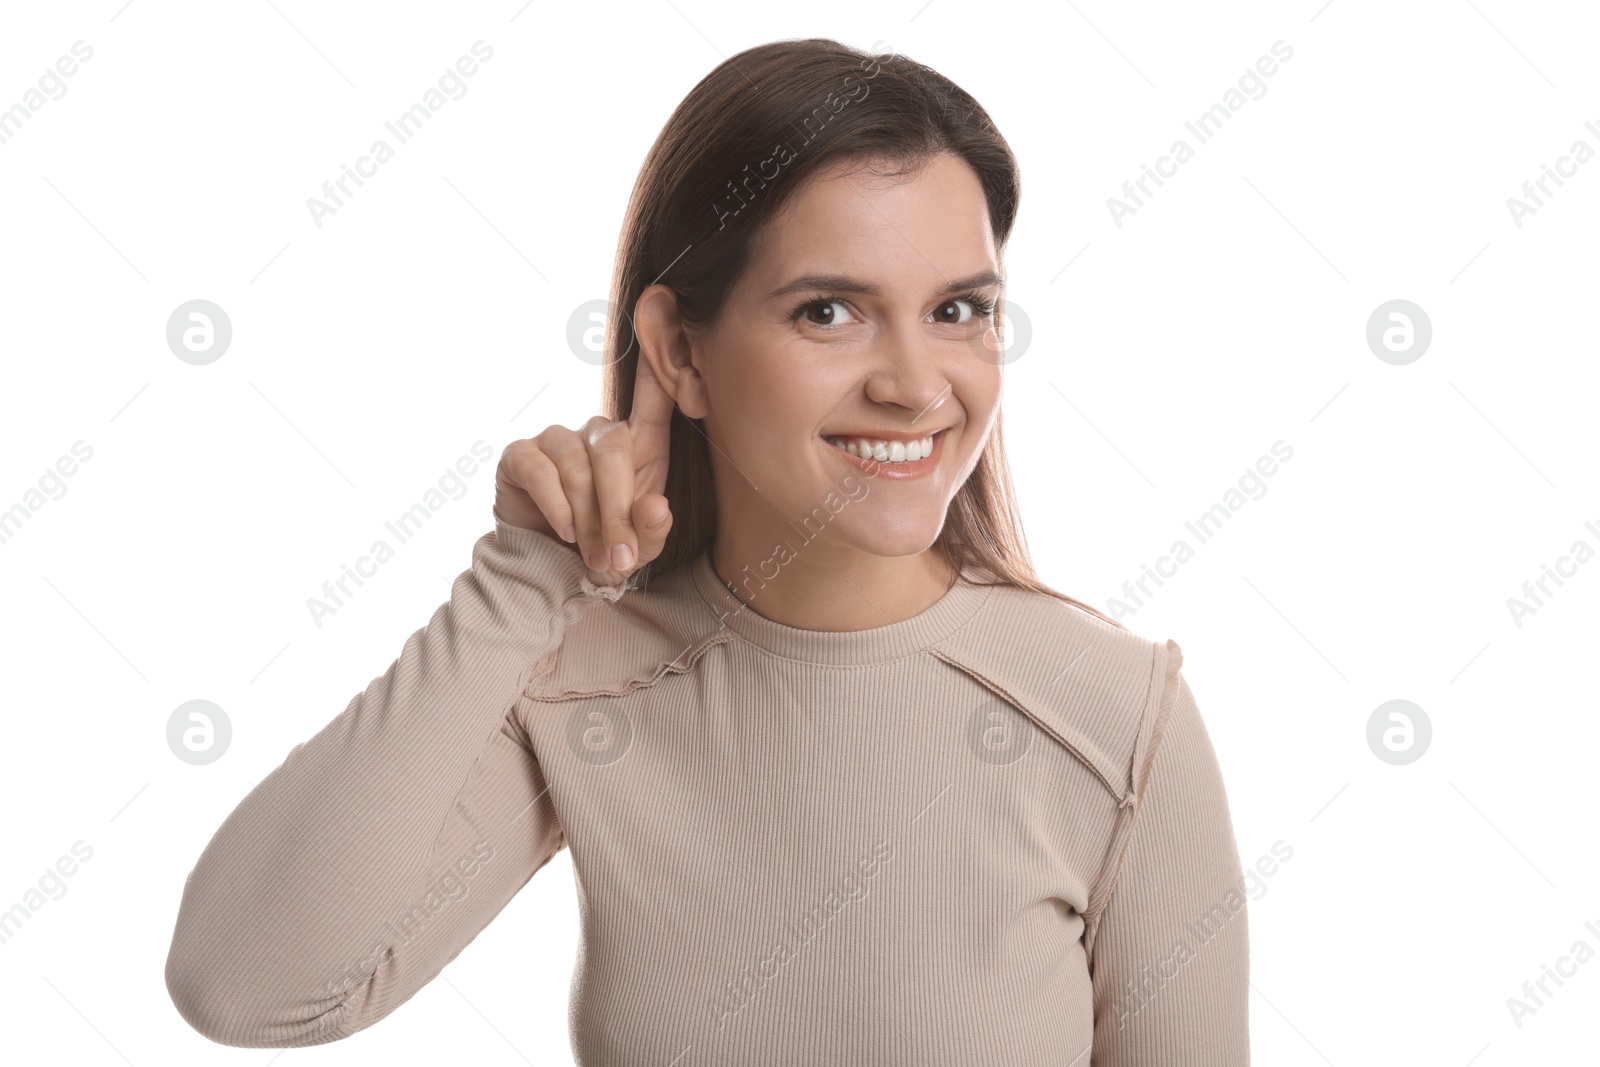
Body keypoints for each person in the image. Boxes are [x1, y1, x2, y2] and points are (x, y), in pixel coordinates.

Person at [165, 37, 1249, 1065]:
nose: (918, 385)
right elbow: (249, 983)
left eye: (959, 309)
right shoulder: (582, 675)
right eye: (830, 310)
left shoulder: (1111, 710)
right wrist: (522, 578)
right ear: (679, 351)